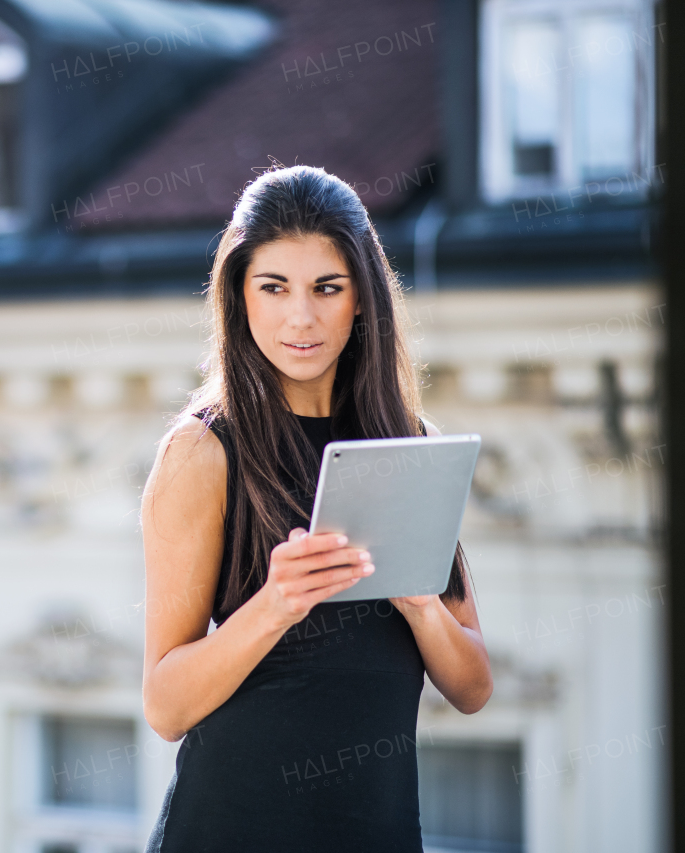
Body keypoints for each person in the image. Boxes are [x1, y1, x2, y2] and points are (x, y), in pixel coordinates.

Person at [140, 165, 493, 852]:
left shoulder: (408, 444)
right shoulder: (203, 452)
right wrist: (276, 603)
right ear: (239, 296)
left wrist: (420, 604)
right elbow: (165, 704)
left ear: (361, 297)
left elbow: (473, 686)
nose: (300, 316)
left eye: (326, 288)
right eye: (274, 287)